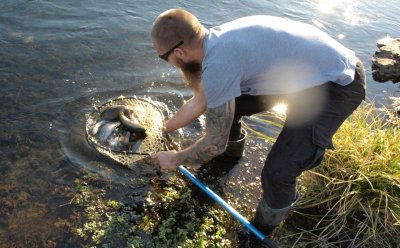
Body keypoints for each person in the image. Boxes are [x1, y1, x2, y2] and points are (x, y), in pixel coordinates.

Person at [150, 8, 366, 244]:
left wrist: (176, 158)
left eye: (164, 58)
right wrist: (162, 129)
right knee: (223, 105)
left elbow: (214, 143)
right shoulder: (217, 43)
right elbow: (200, 101)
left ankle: (263, 228)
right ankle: (232, 155)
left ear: (179, 51)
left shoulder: (220, 64)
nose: (169, 63)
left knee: (279, 171)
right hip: (300, 77)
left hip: (337, 83)